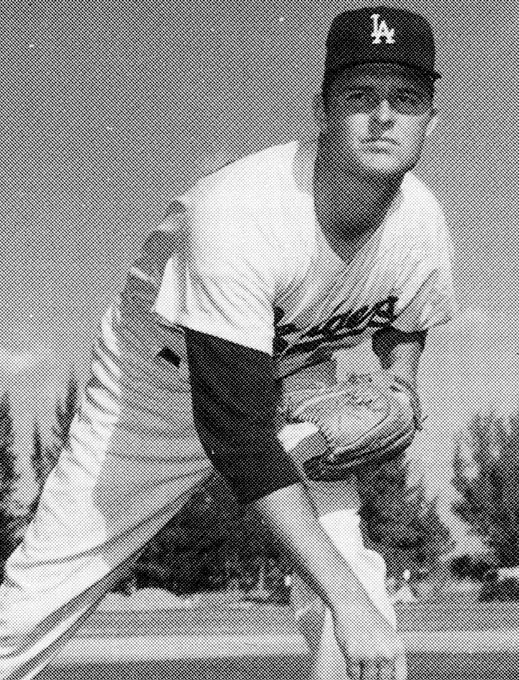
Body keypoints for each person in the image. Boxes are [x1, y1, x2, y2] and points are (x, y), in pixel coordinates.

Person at [0, 6, 455, 680]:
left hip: (296, 374)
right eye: (360, 96)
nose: (383, 115)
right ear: (322, 112)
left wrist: (402, 386)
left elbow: (404, 320)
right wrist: (349, 601)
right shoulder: (241, 214)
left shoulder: (422, 223)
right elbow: (239, 437)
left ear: (429, 122)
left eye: (405, 98)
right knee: (35, 606)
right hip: (154, 388)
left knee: (354, 592)